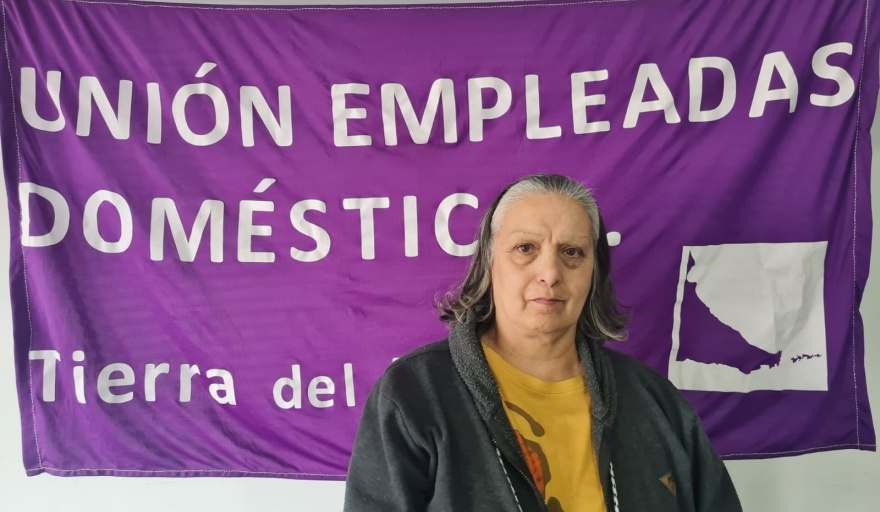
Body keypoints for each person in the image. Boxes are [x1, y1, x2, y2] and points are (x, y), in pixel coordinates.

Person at [344, 174, 742, 512]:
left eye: (572, 252)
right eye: (525, 249)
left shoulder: (655, 401)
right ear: (489, 262)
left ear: (593, 272)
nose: (550, 272)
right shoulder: (413, 394)